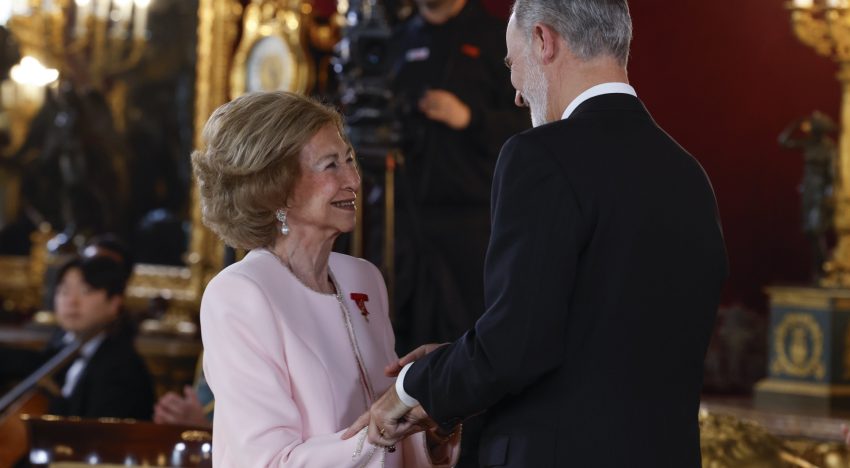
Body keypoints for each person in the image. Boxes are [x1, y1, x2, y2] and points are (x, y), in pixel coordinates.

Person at [345, 0, 729, 466]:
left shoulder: (539, 157)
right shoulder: (690, 175)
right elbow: (600, 332)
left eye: (512, 64)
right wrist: (460, 356)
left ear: (544, 41)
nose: (517, 95)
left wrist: (412, 386)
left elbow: (515, 346)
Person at [192, 91, 460, 467]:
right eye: (330, 165)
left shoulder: (364, 279)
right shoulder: (239, 294)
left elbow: (392, 440)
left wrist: (432, 416)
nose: (353, 178)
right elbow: (268, 462)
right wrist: (376, 433)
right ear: (276, 188)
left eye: (350, 159)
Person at [388, 0, 529, 356]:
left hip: (472, 222)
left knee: (468, 338)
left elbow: (531, 123)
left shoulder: (500, 37)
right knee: (397, 339)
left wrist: (469, 118)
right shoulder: (393, 39)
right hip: (401, 218)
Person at [0, 254, 155, 420]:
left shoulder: (121, 367)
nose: (71, 301)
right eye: (64, 291)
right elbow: (31, 362)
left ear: (115, 303)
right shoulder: (64, 343)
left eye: (86, 291)